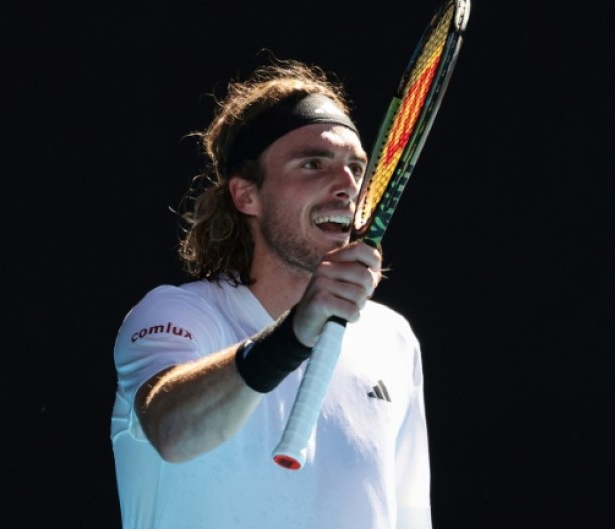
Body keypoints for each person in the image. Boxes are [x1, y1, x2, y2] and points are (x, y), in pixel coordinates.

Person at [110, 58, 432, 529]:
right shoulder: (178, 311)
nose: (347, 186)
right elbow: (172, 432)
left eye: (356, 168)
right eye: (312, 164)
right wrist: (295, 335)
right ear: (247, 196)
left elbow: (409, 517)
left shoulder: (394, 341)